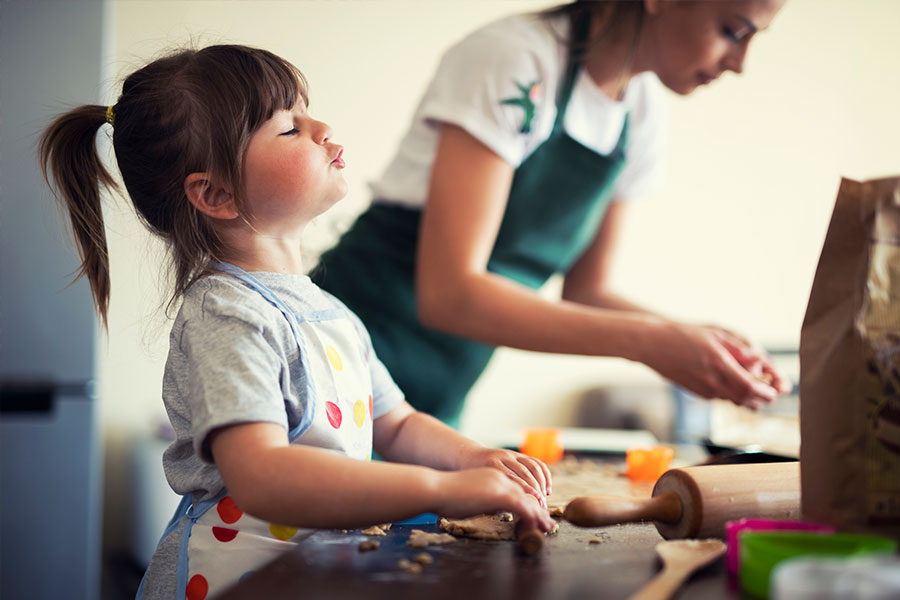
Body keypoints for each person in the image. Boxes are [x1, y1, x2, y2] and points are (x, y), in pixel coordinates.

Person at [39, 44, 556, 600]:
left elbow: (398, 424)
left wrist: (473, 458)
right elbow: (262, 475)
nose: (321, 127)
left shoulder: (329, 310)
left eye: (308, 112)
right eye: (289, 127)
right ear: (216, 193)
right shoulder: (226, 312)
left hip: (313, 577)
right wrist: (439, 489)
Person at [313, 0, 791, 428]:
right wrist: (651, 343)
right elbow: (449, 294)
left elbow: (589, 292)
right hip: (340, 369)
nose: (741, 64)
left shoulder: (640, 112)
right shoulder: (513, 60)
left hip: (435, 407)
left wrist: (693, 340)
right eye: (733, 30)